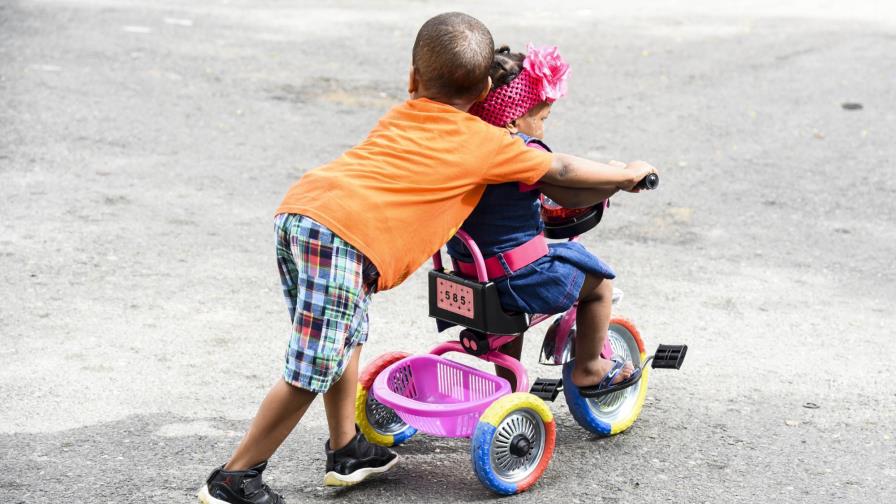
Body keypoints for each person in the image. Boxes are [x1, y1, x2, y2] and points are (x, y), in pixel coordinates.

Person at [198, 13, 656, 504]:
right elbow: (560, 168)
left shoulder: (403, 112)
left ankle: (347, 448)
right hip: (342, 236)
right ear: (484, 89)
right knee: (312, 367)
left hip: (302, 213)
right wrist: (626, 174)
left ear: (413, 77)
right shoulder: (486, 144)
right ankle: (235, 478)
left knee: (344, 339)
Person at [447, 44, 650, 393]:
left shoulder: (463, 146)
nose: (542, 128)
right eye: (540, 118)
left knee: (511, 314)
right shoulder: (519, 152)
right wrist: (619, 179)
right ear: (512, 120)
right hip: (515, 277)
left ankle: (507, 389)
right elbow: (568, 187)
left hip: (467, 271)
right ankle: (589, 367)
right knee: (599, 285)